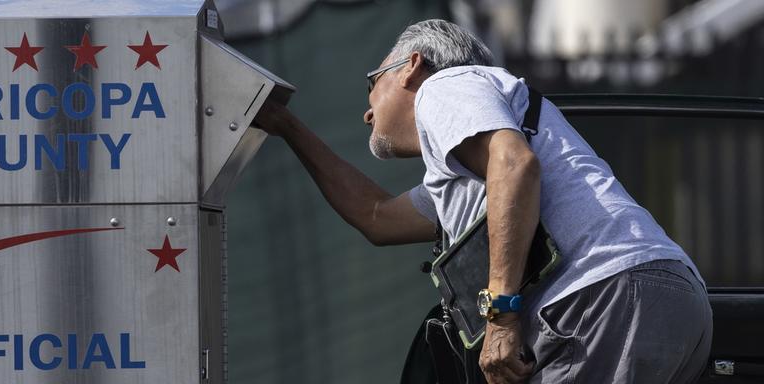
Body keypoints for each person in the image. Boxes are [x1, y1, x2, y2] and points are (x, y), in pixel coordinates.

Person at [254, 19, 713, 384]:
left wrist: (501, 315)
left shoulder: (444, 86)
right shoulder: (463, 168)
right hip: (662, 298)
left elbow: (515, 165)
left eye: (372, 85)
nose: (368, 111)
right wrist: (288, 128)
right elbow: (376, 218)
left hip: (598, 300)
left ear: (411, 67)